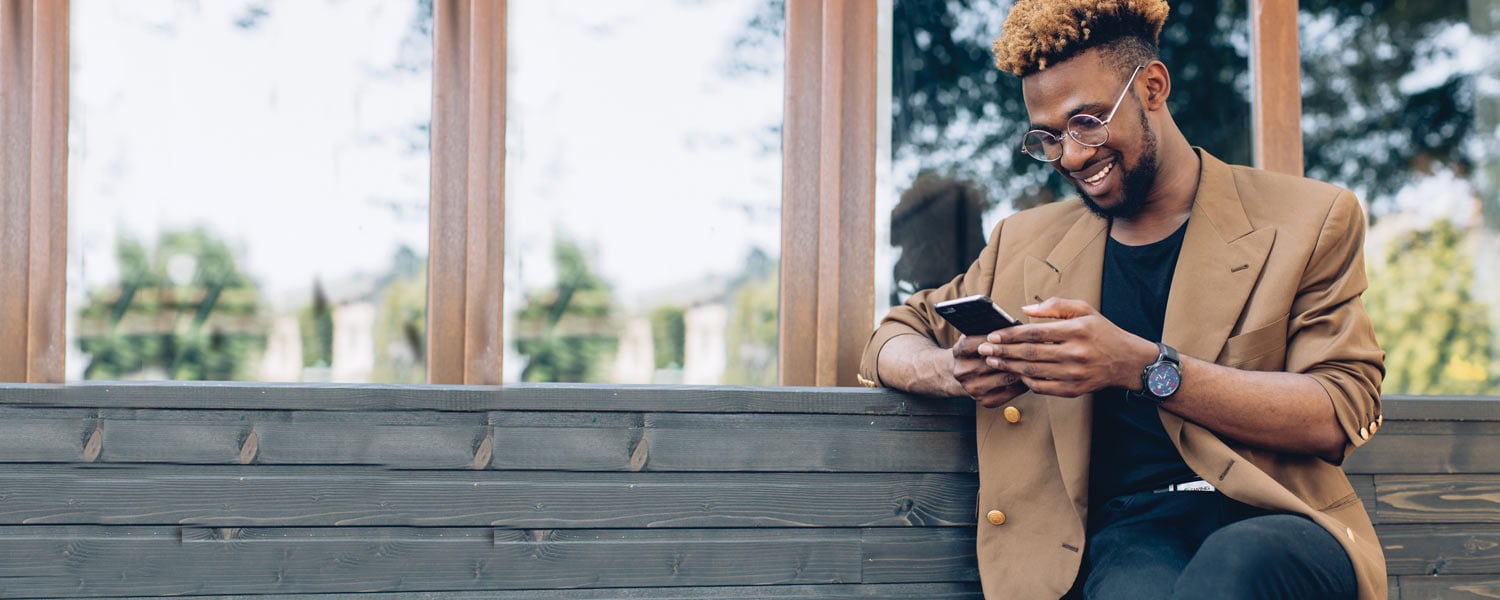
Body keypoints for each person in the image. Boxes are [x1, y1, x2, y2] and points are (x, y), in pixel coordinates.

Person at [855, 1, 1387, 598]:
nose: (1073, 155)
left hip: (1280, 520)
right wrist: (950, 369)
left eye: (1087, 121)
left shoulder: (1309, 218)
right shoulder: (1025, 242)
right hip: (1131, 535)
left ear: (1153, 87)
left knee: (1240, 566)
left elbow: (1339, 411)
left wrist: (1140, 367)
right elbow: (891, 337)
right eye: (1049, 138)